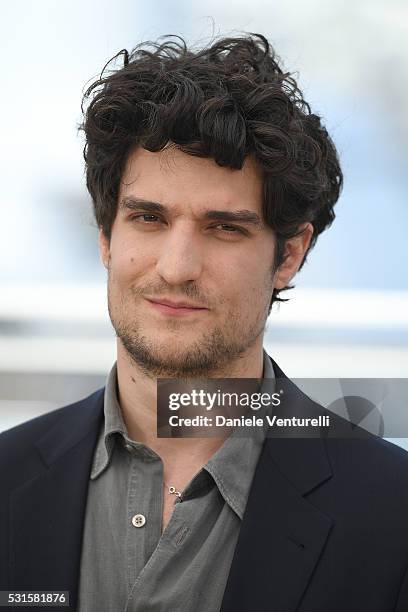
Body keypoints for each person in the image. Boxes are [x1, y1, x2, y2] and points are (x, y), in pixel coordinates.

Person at [1, 33, 408, 612]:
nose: (176, 268)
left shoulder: (392, 515)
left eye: (224, 227)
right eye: (148, 218)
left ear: (288, 256)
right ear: (105, 237)